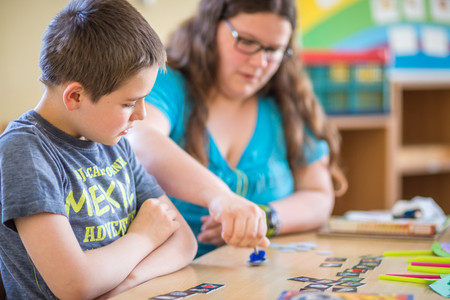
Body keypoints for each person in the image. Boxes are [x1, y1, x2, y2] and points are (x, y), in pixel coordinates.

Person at [0, 0, 199, 299]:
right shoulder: (24, 152)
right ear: (76, 96)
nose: (142, 115)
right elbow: (75, 286)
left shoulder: (115, 142)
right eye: (129, 103)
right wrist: (143, 238)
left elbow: (184, 241)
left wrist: (125, 281)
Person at [128, 0, 348, 258]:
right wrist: (223, 199)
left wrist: (261, 218)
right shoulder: (168, 82)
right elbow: (139, 138)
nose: (259, 62)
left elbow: (319, 196)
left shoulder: (288, 102)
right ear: (210, 28)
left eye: (274, 50)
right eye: (246, 41)